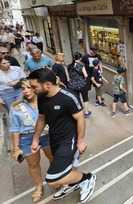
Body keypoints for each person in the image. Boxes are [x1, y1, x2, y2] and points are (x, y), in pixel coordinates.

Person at [28, 69, 96, 203]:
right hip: (54, 139)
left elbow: (80, 118)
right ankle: (72, 183)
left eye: (34, 86)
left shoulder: (68, 97)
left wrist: (81, 140)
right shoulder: (41, 97)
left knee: (53, 180)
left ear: (47, 85)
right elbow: (41, 119)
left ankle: (86, 179)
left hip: (69, 140)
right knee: (65, 169)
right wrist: (35, 139)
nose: (32, 89)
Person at [9, 79, 52, 202]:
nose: (26, 91)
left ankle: (56, 178)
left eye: (29, 87)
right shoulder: (16, 107)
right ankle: (39, 186)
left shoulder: (46, 101)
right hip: (27, 138)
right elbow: (15, 129)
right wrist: (16, 147)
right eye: (23, 88)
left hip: (46, 134)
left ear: (36, 87)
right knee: (33, 164)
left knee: (53, 158)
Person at [68, 53, 91, 118]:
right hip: (82, 85)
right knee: (85, 98)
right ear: (80, 58)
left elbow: (69, 76)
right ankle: (86, 112)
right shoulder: (81, 65)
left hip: (72, 85)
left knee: (77, 98)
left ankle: (79, 111)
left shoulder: (69, 65)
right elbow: (86, 75)